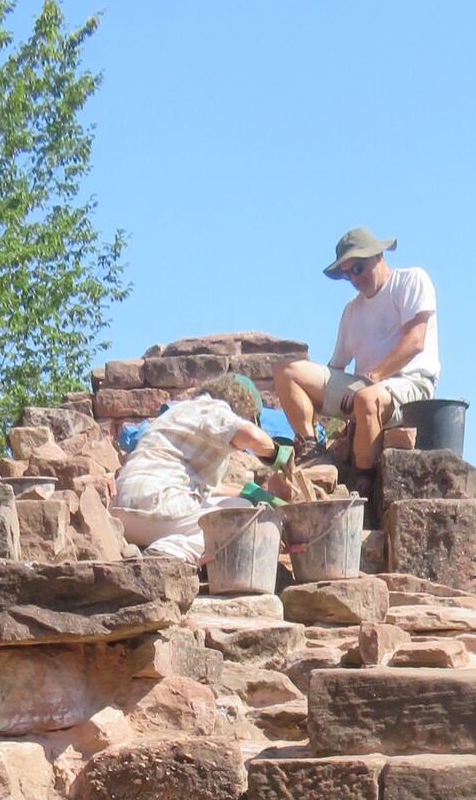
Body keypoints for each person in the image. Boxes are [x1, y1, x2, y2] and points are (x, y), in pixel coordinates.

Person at [274, 229, 440, 472]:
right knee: (286, 372)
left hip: (410, 384)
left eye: (358, 268)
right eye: (347, 273)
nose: (354, 278)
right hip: (363, 388)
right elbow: (336, 368)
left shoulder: (410, 281)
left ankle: (364, 479)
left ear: (378, 256)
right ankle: (312, 450)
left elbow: (415, 341)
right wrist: (314, 405)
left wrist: (371, 378)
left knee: (366, 398)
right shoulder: (352, 310)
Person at [113, 371, 280, 560]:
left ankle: (138, 548)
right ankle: (167, 551)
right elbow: (252, 436)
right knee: (246, 520)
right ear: (244, 407)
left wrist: (249, 492)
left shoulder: (179, 411)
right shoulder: (215, 409)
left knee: (240, 505)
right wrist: (278, 454)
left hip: (123, 516)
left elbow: (207, 491)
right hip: (157, 507)